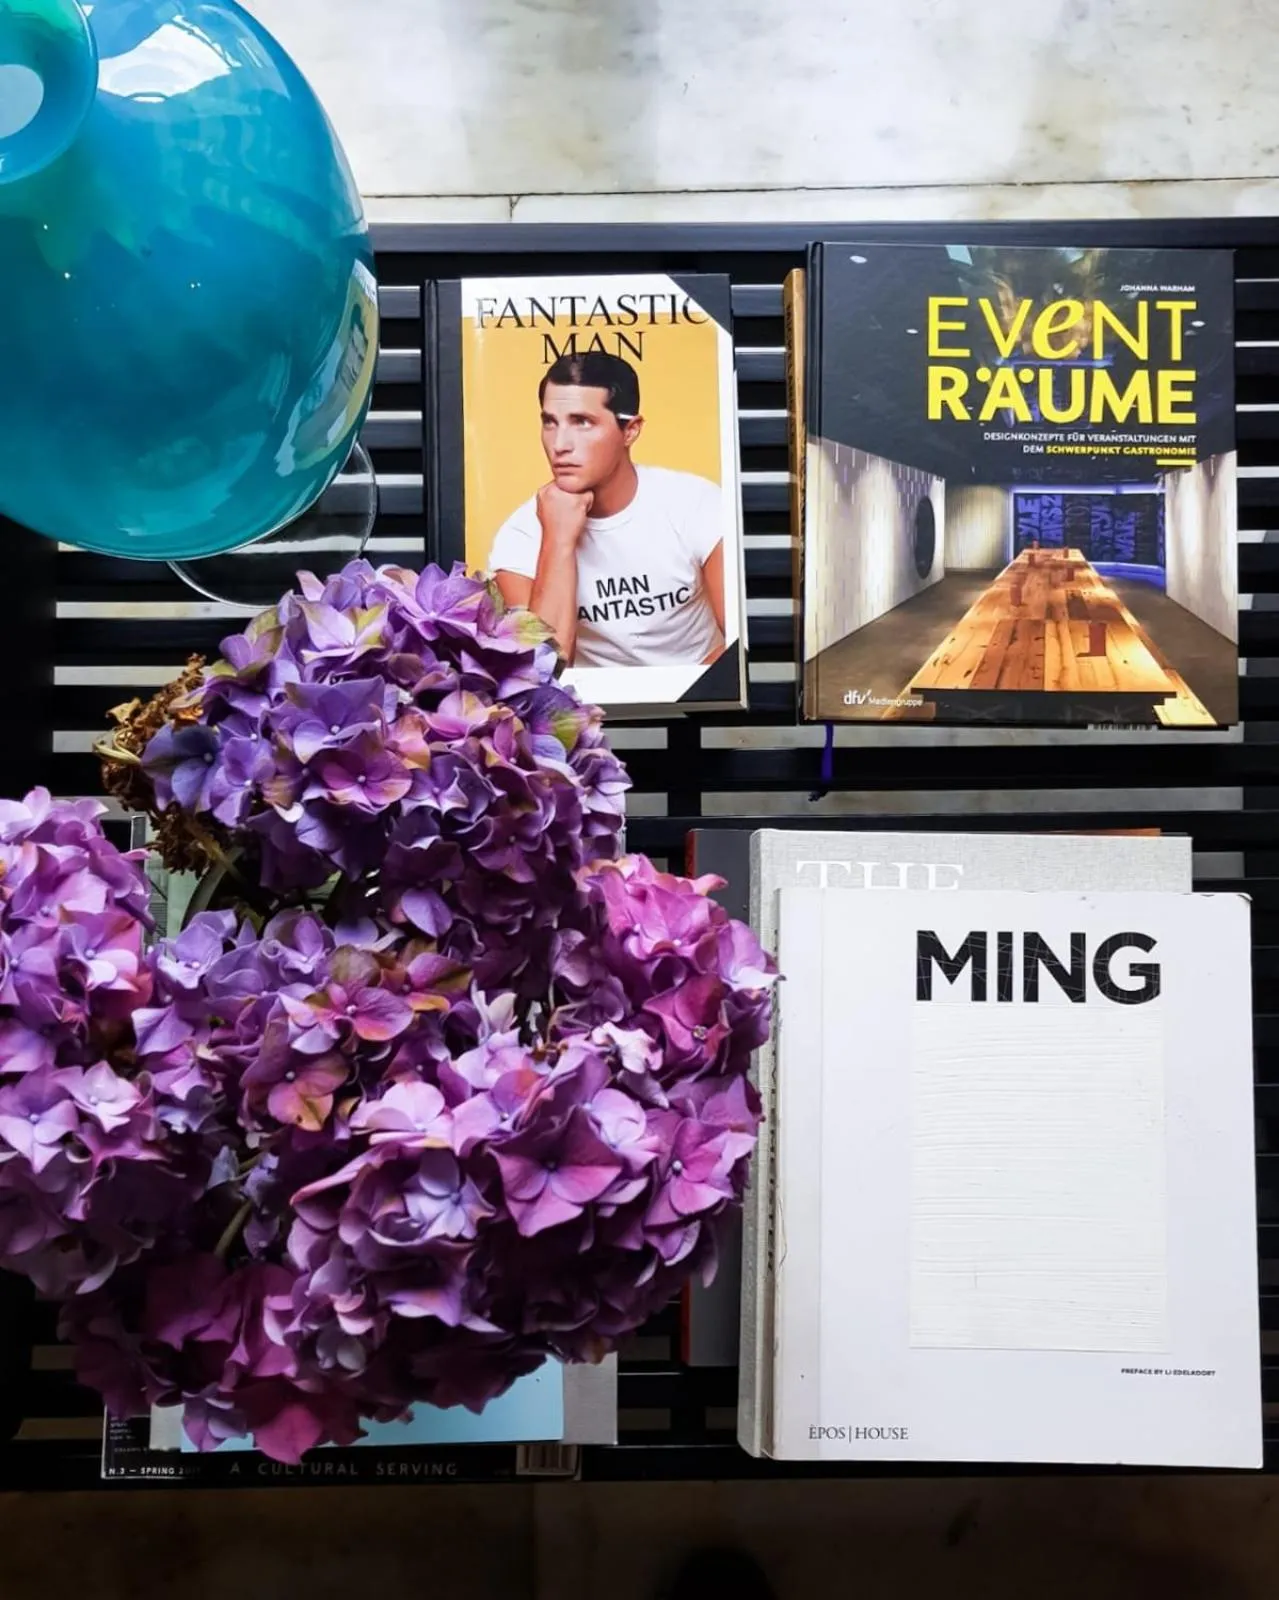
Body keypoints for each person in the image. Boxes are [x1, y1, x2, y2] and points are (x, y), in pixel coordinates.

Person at [489, 351, 727, 669]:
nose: (560, 444)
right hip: (584, 701)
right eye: (550, 423)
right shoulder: (520, 535)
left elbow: (741, 643)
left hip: (701, 691)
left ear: (630, 430)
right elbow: (541, 671)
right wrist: (557, 540)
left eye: (582, 422)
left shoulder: (696, 503)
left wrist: (689, 691)